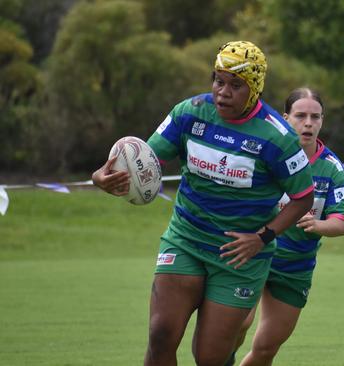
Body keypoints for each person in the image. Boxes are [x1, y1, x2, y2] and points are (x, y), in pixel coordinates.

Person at [91, 41, 315, 366]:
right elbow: (146, 161)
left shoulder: (277, 137)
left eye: (236, 85)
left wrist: (263, 237)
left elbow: (303, 196)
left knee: (209, 357)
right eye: (218, 80)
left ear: (254, 89)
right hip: (186, 239)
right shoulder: (189, 112)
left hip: (239, 257)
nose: (223, 91)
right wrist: (103, 175)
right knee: (161, 334)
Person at [224, 87, 344, 366]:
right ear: (285, 118)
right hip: (255, 254)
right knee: (237, 325)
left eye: (315, 117)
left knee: (267, 348)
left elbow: (341, 223)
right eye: (301, 115)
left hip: (295, 266)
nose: (308, 123)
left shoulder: (332, 168)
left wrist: (318, 225)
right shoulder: (268, 153)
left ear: (322, 121)